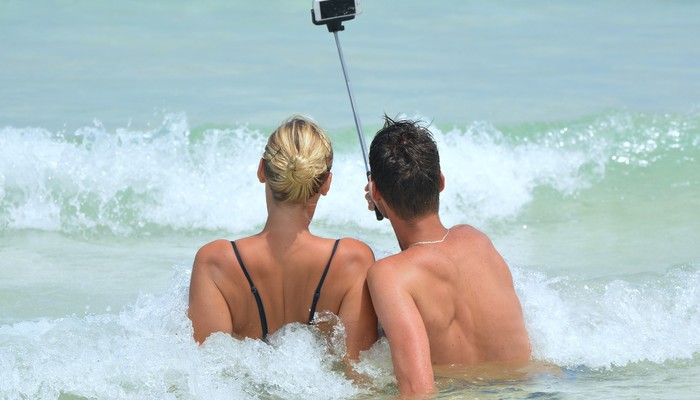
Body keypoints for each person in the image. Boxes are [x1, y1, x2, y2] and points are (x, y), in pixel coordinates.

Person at [188, 115, 377, 364]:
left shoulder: (214, 263)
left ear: (261, 170)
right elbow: (360, 377)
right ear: (326, 184)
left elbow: (207, 376)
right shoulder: (354, 260)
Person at [364, 116, 531, 395]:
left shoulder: (390, 276)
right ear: (440, 182)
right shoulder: (477, 241)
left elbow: (418, 391)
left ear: (376, 191)